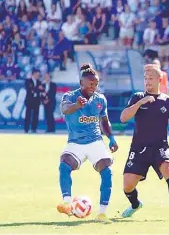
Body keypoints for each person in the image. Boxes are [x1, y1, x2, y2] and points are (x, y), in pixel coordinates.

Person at [120, 64, 169, 221]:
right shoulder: (137, 97)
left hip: (160, 147)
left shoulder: (167, 101)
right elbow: (123, 118)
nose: (147, 82)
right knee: (128, 186)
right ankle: (135, 204)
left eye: (150, 78)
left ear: (159, 79)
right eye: (145, 79)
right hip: (139, 148)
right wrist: (140, 103)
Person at [57, 63, 118, 223]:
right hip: (75, 143)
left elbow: (104, 121)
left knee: (107, 172)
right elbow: (65, 109)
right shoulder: (69, 96)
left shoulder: (100, 99)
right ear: (81, 83)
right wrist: (77, 105)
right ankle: (67, 204)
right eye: (91, 84)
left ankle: (102, 213)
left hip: (95, 142)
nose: (94, 86)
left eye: (96, 84)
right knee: (64, 166)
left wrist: (111, 138)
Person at [24, 68, 43, 133]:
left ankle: (34, 129)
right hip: (29, 100)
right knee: (28, 115)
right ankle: (26, 129)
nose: (38, 76)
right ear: (34, 74)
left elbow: (41, 90)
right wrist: (37, 89)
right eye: (37, 74)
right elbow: (29, 90)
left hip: (36, 101)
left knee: (35, 116)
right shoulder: (28, 81)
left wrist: (35, 89)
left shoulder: (39, 82)